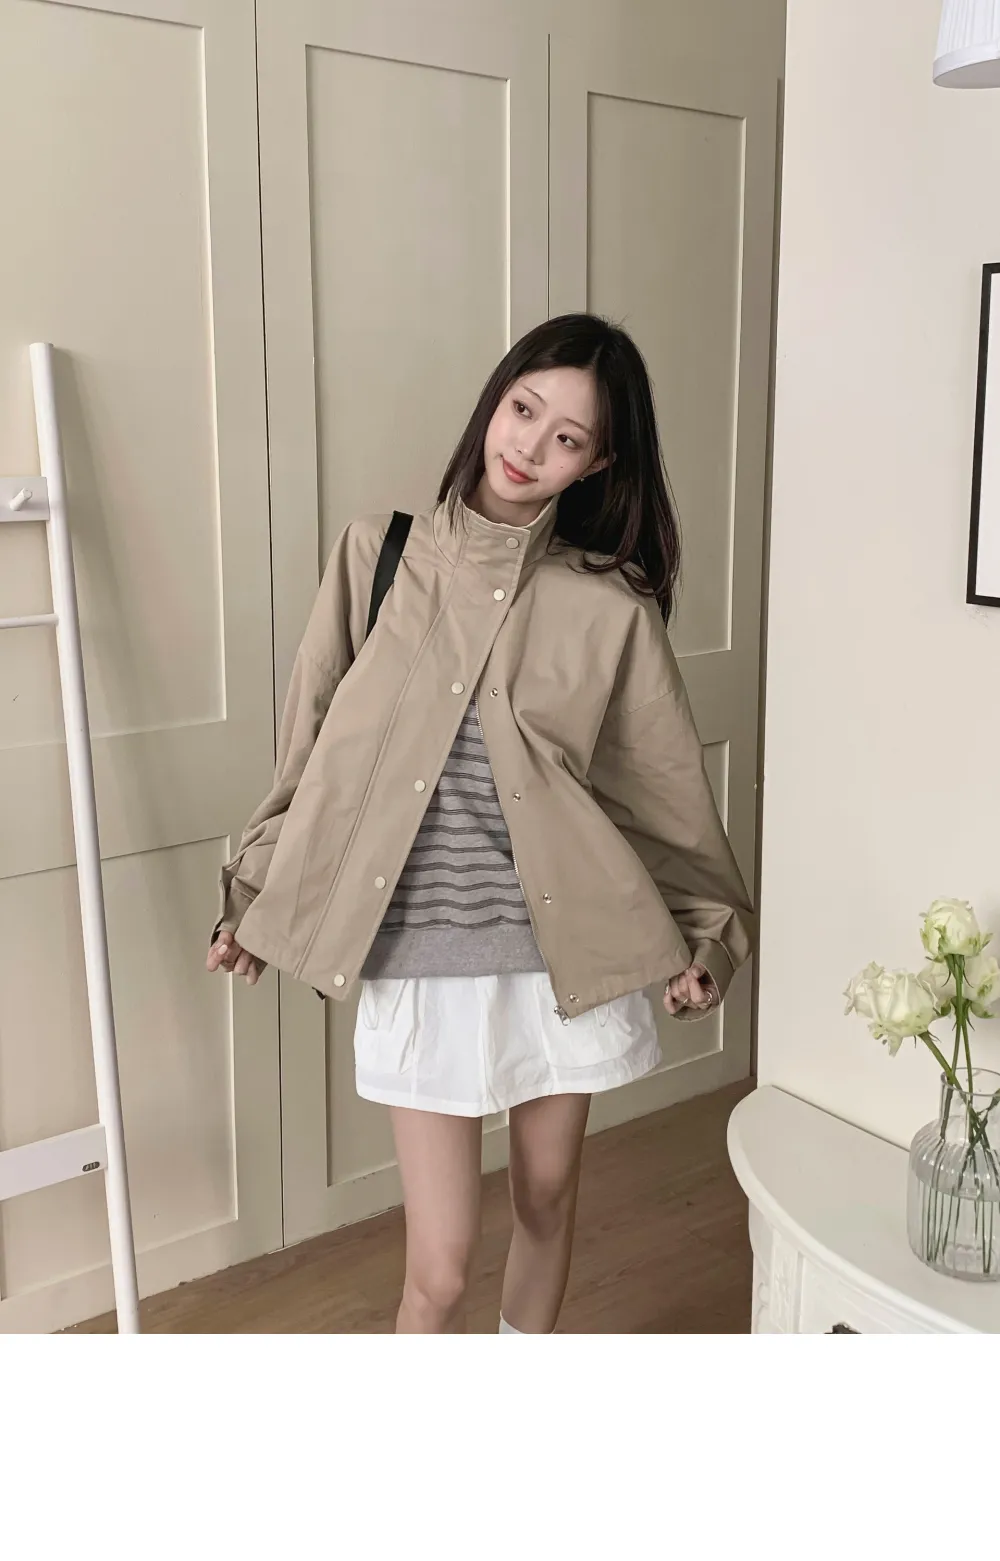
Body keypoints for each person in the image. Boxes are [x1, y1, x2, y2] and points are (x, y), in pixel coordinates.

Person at [206, 313, 754, 1334]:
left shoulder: (609, 607)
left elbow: (664, 794)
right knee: (441, 1267)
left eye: (567, 438)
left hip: (560, 960)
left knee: (546, 1204)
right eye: (523, 408)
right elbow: (312, 757)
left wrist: (707, 939)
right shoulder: (379, 556)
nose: (530, 446)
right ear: (495, 398)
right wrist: (255, 896)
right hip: (417, 957)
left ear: (597, 464)